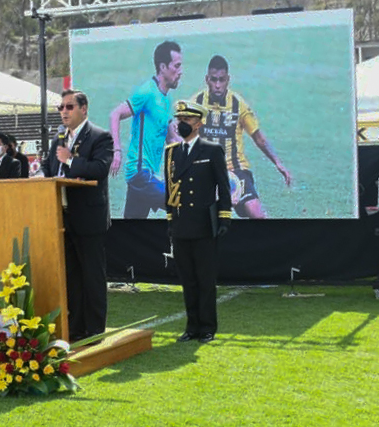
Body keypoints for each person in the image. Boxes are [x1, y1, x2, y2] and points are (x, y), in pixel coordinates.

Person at [40, 89, 115, 342]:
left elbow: (100, 169)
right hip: (61, 217)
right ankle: (75, 327)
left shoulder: (100, 136)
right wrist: (39, 176)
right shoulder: (59, 138)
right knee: (71, 275)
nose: (64, 111)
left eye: (69, 107)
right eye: (61, 107)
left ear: (84, 109)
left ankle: (94, 329)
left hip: (89, 217)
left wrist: (71, 160)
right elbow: (48, 166)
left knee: (92, 275)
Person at [189, 55, 293, 218]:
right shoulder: (196, 103)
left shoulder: (239, 105)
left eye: (221, 80)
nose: (217, 85)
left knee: (256, 214)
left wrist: (278, 163)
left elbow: (258, 137)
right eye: (214, 80)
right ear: (207, 79)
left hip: (236, 170)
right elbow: (180, 136)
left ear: (228, 80)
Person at [164, 101, 232, 344]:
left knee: (205, 280)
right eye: (179, 119)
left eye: (187, 120)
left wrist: (224, 217)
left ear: (199, 124)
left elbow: (223, 186)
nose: (181, 123)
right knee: (188, 280)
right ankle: (191, 327)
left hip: (204, 224)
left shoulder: (211, 150)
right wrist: (170, 219)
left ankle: (207, 328)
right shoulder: (171, 152)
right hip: (181, 224)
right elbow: (169, 188)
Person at [110, 40, 183, 218]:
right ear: (163, 67)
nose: (180, 71)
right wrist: (117, 151)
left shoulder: (166, 99)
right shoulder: (147, 92)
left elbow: (173, 139)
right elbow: (115, 114)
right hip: (141, 174)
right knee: (180, 203)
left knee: (132, 229)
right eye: (177, 66)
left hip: (145, 175)